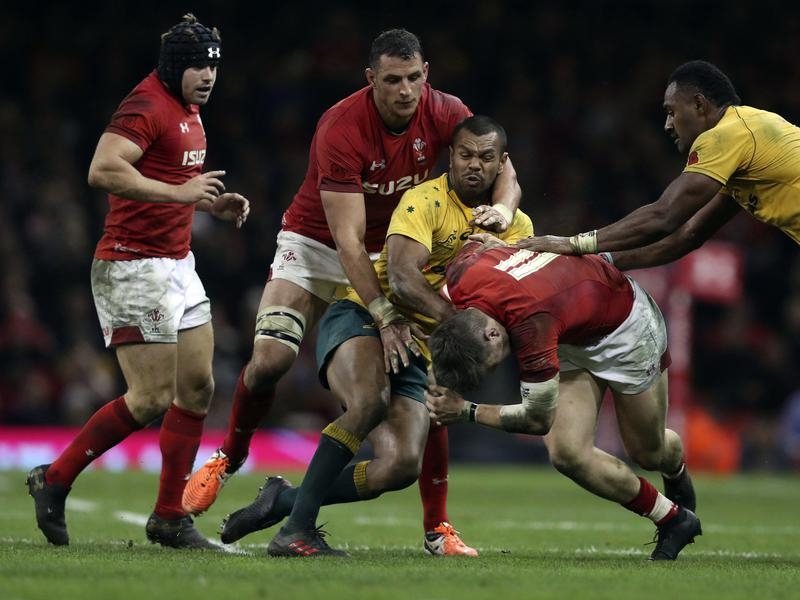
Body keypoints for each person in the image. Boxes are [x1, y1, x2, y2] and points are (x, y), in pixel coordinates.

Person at [182, 29, 521, 555]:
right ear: (371, 79)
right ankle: (230, 455)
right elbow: (346, 240)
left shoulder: (445, 110)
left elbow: (501, 165)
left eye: (413, 78)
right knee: (270, 359)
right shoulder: (342, 126)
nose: (405, 90)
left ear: (426, 75)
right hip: (317, 244)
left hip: (394, 250)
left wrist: (502, 209)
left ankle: (435, 526)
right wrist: (385, 316)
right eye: (392, 80)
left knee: (424, 395)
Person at [26, 13, 250, 549]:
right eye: (196, 66)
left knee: (198, 386)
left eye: (213, 66)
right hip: (131, 266)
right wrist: (181, 195)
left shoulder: (189, 109)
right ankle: (55, 478)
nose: (207, 76)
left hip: (177, 263)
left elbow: (172, 178)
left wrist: (209, 205)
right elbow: (103, 169)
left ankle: (169, 517)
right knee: (150, 397)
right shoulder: (146, 104)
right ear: (173, 67)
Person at [425, 241, 701, 561]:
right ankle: (672, 518)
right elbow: (481, 243)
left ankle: (674, 464)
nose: (500, 364)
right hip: (568, 330)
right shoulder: (460, 277)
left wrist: (466, 411)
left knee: (648, 453)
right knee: (567, 453)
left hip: (626, 329)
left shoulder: (530, 324)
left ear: (492, 334)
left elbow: (537, 419)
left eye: (494, 360)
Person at [514, 60, 800, 269]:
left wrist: (573, 243)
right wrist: (605, 261)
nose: (667, 125)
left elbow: (664, 216)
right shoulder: (745, 137)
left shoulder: (725, 135)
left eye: (671, 112)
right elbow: (688, 235)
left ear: (699, 105)